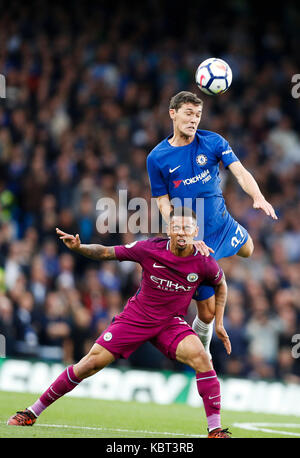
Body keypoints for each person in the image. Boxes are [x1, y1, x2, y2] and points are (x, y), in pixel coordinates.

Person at [7, 207, 232, 438]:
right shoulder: (149, 248)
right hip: (136, 318)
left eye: (187, 228)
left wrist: (220, 323)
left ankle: (215, 430)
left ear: (195, 231)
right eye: (176, 227)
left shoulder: (204, 261)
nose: (181, 232)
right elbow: (106, 253)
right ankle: (31, 412)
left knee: (202, 359)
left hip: (170, 324)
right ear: (168, 230)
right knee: (89, 364)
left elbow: (221, 284)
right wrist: (79, 248)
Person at [146, 91, 277, 360]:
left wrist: (258, 197)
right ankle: (202, 355)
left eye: (197, 115)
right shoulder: (157, 158)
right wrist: (179, 229)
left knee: (249, 249)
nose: (193, 120)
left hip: (224, 224)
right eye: (188, 113)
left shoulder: (213, 142)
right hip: (198, 239)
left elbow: (239, 171)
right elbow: (162, 201)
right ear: (173, 113)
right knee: (207, 313)